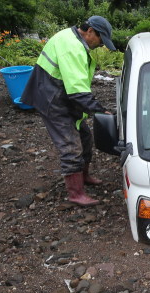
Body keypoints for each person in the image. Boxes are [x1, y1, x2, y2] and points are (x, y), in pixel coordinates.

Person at [21, 16, 116, 206]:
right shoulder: (72, 47)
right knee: (71, 146)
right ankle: (76, 193)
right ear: (90, 31)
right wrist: (100, 111)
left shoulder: (72, 38)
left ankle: (84, 176)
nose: (100, 45)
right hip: (52, 100)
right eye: (100, 40)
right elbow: (78, 92)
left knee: (85, 137)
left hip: (59, 94)